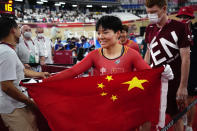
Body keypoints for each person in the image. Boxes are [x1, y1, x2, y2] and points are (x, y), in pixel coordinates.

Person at [44, 15, 173, 131]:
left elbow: (148, 74)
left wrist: (161, 73)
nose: (100, 37)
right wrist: (45, 82)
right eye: (99, 33)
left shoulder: (131, 54)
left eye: (105, 32)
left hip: (124, 109)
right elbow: (73, 71)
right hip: (103, 108)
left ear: (117, 34)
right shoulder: (94, 55)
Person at [144, 0, 191, 130]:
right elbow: (148, 53)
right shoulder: (149, 28)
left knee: (177, 117)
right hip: (155, 81)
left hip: (174, 81)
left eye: (153, 12)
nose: (150, 15)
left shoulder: (180, 27)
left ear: (164, 8)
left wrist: (183, 86)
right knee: (149, 115)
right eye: (148, 13)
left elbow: (186, 58)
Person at [0, 17, 50, 131]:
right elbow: (6, 86)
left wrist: (41, 74)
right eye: (18, 28)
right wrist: (30, 102)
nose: (20, 31)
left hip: (18, 104)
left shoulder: (7, 50)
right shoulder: (7, 53)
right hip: (14, 107)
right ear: (13, 30)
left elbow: (22, 71)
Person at [176, 6, 196, 131]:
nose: (183, 19)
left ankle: (189, 126)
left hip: (193, 70)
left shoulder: (196, 32)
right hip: (179, 69)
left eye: (186, 17)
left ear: (191, 18)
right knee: (180, 98)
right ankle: (183, 121)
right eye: (181, 17)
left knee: (191, 99)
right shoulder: (176, 33)